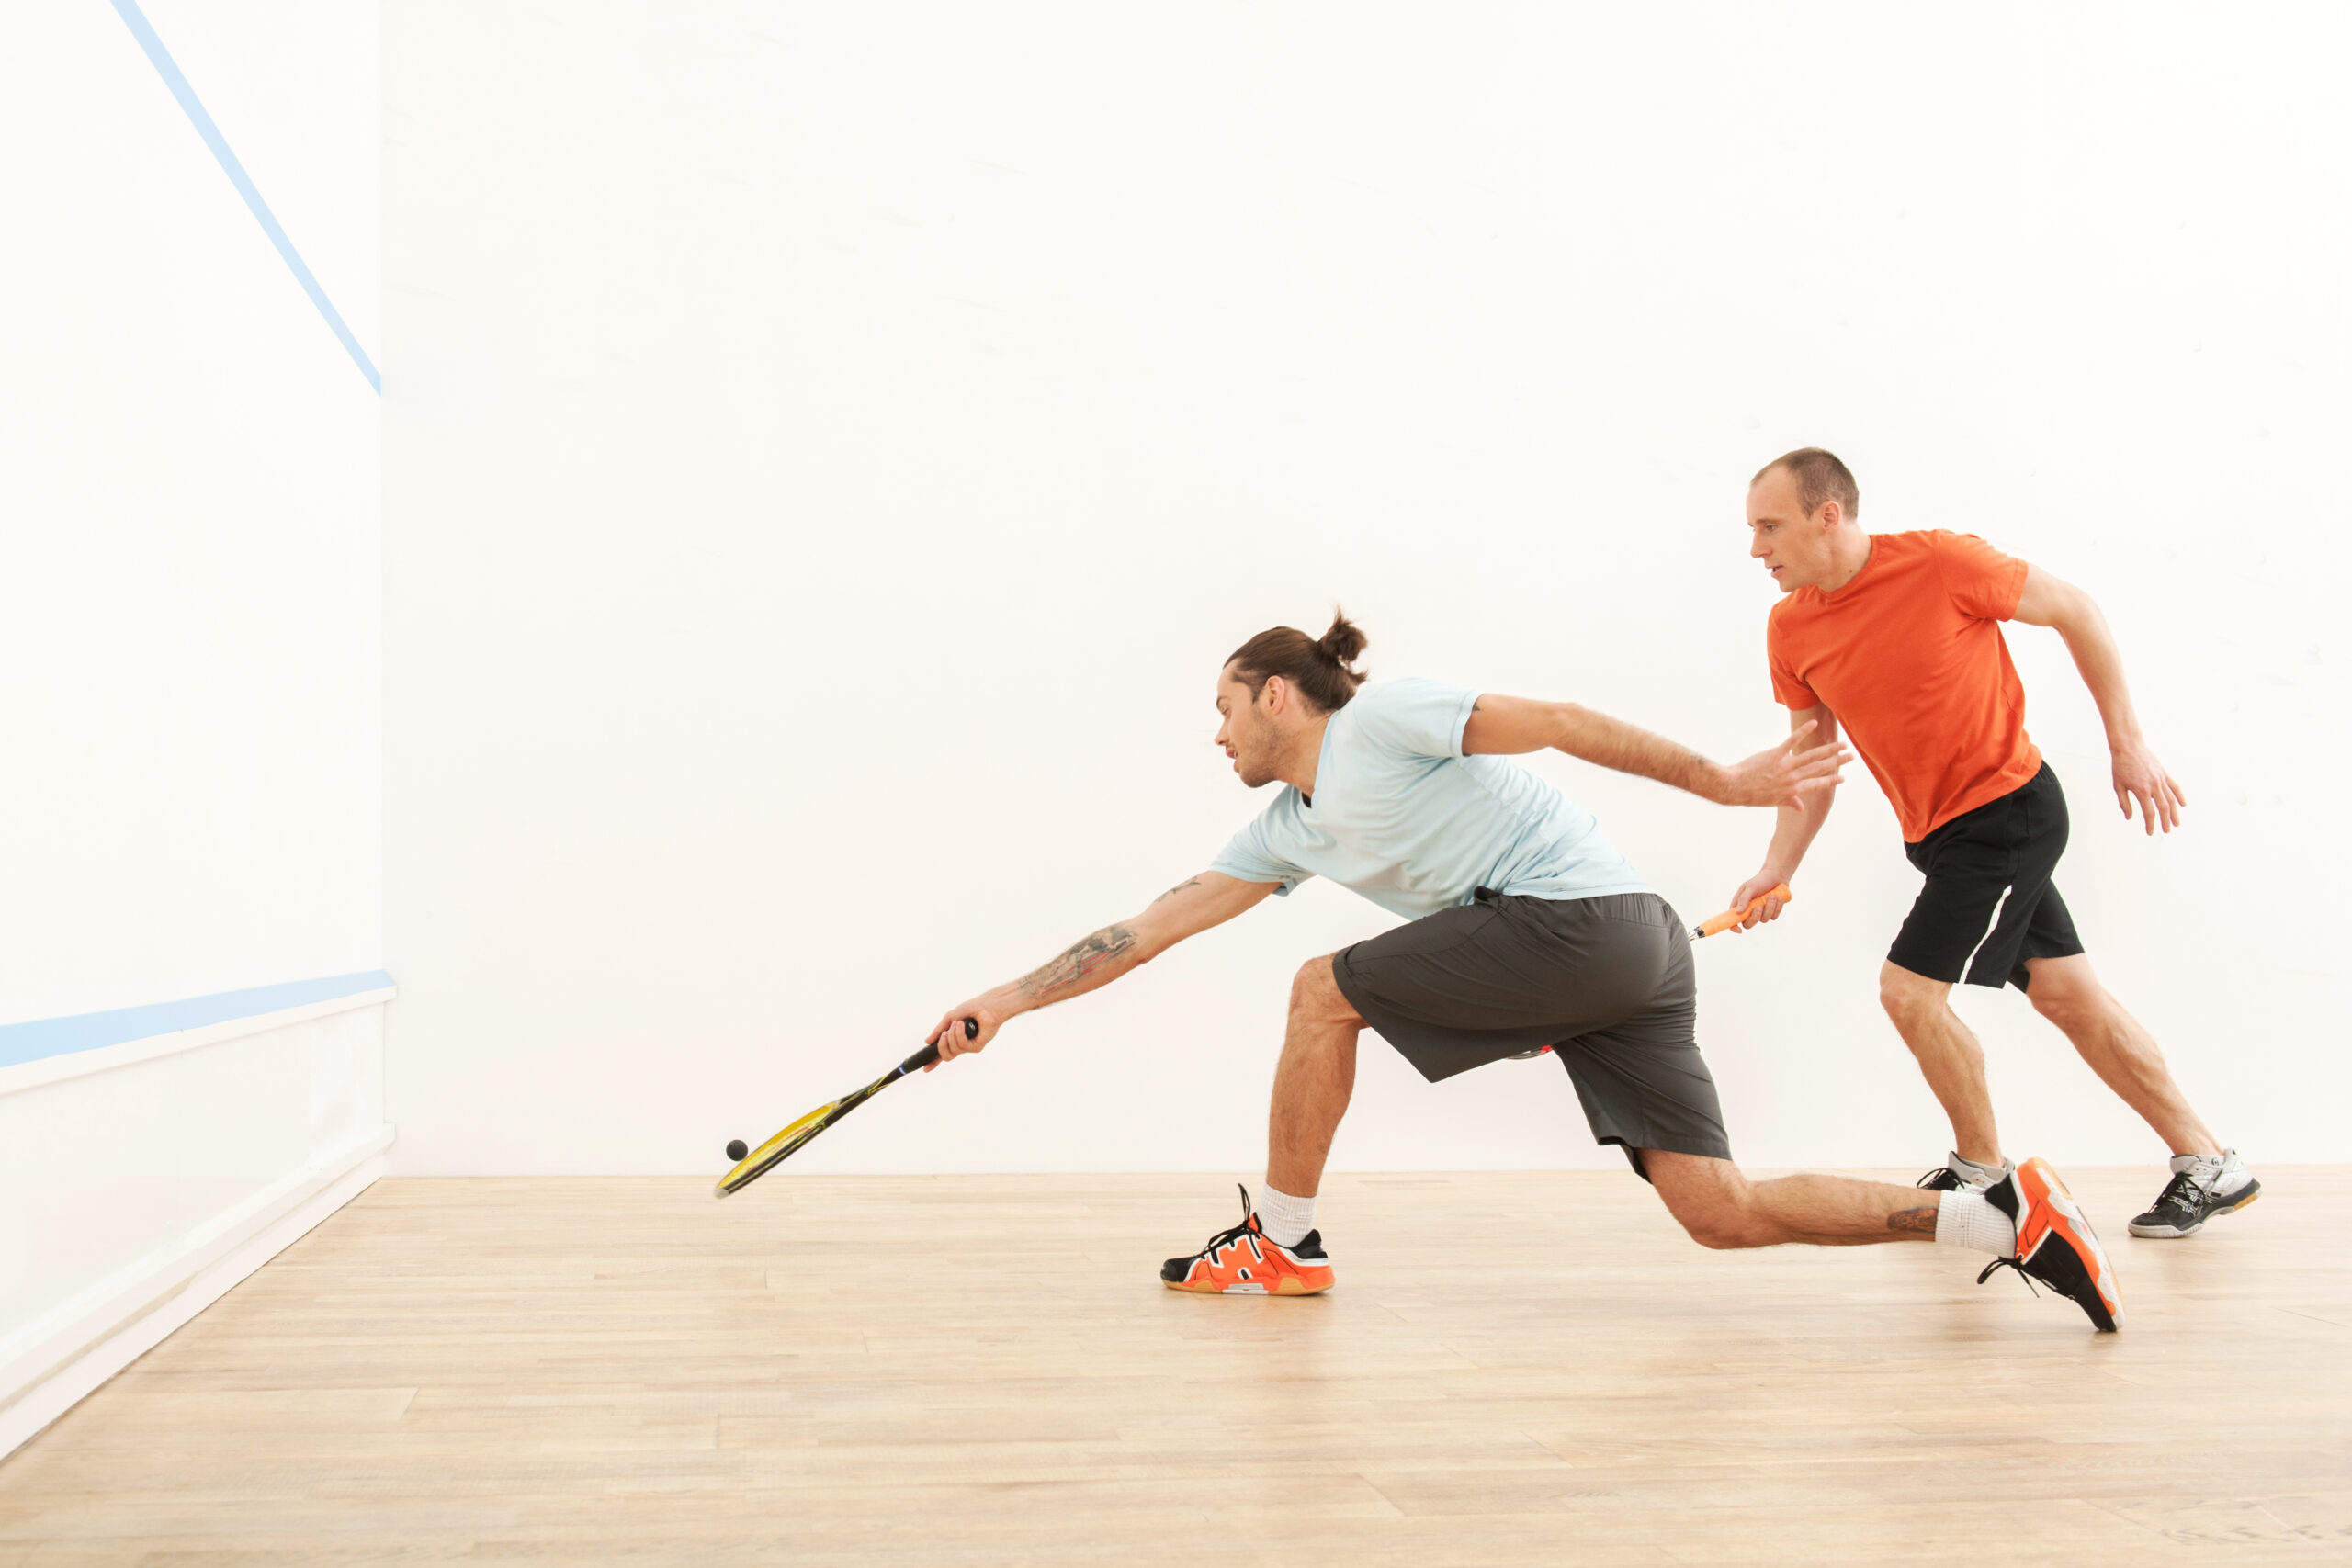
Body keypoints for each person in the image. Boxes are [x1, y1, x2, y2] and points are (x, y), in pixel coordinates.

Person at [920, 613, 2125, 1330]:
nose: (1217, 731)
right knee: (1722, 1210)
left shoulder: (1383, 719)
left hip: (1585, 926)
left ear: (1278, 692)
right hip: (1629, 951)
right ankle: (2003, 1213)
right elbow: (1149, 925)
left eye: (1226, 706)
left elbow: (1555, 719)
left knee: (1320, 987)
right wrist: (1007, 1001)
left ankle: (1283, 1239)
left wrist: (1720, 782)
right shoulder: (1287, 826)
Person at [1731, 447, 2256, 1240]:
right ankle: (2210, 1161)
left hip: (2006, 812)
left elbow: (2076, 608)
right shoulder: (1791, 626)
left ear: (1826, 514)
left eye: (1770, 526)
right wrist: (1775, 868)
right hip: (1938, 835)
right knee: (2066, 996)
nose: (1756, 548)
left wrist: (2127, 741)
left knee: (1909, 994)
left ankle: (1986, 1181)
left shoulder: (1941, 562)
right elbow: (1811, 766)